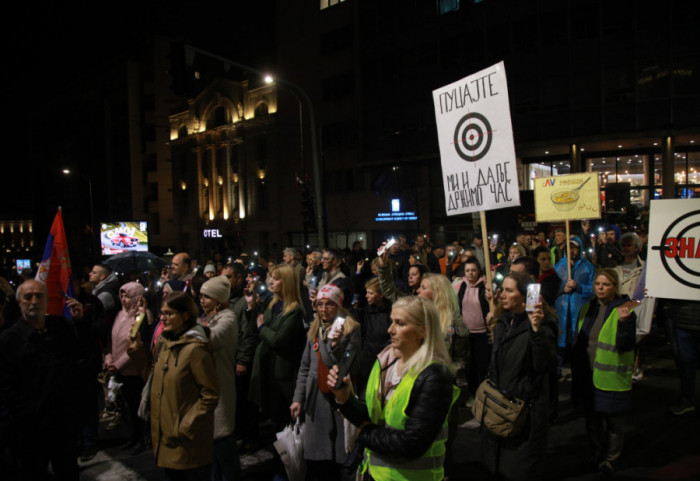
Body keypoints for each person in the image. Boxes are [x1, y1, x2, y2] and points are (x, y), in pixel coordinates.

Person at [328, 296, 460, 481]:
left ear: (422, 331)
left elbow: (412, 444)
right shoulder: (384, 362)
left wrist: (364, 433)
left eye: (400, 323)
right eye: (391, 322)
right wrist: (345, 398)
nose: (390, 330)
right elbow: (369, 416)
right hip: (374, 473)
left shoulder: (435, 375)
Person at [0, 280, 82, 480]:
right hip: (29, 432)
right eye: (28, 297)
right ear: (19, 302)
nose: (34, 301)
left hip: (63, 427)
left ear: (47, 300)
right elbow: (6, 389)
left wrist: (81, 322)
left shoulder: (61, 328)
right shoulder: (8, 340)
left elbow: (79, 360)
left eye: (39, 296)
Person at [481, 271, 558, 481]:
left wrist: (536, 330)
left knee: (519, 469)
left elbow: (545, 365)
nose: (502, 295)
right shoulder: (503, 321)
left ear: (525, 296)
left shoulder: (543, 324)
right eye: (502, 289)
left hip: (525, 414)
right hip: (499, 408)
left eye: (509, 290)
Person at [290, 284, 361, 480]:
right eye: (319, 304)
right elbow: (305, 367)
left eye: (328, 304)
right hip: (316, 401)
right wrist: (298, 398)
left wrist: (336, 346)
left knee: (340, 462)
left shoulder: (351, 329)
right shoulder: (314, 330)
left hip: (339, 399)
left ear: (338, 305)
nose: (323, 309)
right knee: (317, 465)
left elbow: (349, 364)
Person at [571, 269, 636, 477]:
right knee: (593, 421)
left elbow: (627, 345)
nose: (600, 288)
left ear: (615, 287)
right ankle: (597, 454)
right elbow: (580, 342)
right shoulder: (587, 308)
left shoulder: (625, 310)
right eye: (598, 284)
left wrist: (625, 326)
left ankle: (610, 459)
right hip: (589, 376)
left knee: (614, 423)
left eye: (606, 284)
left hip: (611, 377)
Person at [148, 292, 219, 480]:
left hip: (187, 441)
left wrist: (185, 425)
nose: (163, 318)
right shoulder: (164, 343)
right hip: (166, 437)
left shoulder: (195, 349)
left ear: (185, 316)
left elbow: (210, 394)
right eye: (162, 313)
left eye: (169, 313)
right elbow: (152, 379)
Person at [248, 264, 306, 431]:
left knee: (282, 421)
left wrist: (262, 328)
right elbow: (258, 327)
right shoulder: (272, 304)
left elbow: (278, 340)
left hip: (282, 374)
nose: (271, 282)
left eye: (276, 278)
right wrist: (252, 307)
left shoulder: (294, 311)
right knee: (273, 417)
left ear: (286, 282)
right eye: (271, 278)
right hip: (268, 368)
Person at [199, 275, 241, 480]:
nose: (202, 300)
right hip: (207, 381)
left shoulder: (228, 318)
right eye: (201, 296)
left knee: (222, 437)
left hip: (220, 381)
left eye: (207, 296)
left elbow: (210, 339)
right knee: (211, 444)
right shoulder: (206, 317)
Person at [105, 282, 151, 454]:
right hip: (119, 370)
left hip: (133, 370)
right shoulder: (119, 315)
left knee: (137, 406)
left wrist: (118, 364)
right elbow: (112, 340)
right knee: (127, 407)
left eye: (128, 295)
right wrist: (109, 358)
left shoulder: (141, 316)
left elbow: (136, 345)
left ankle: (141, 438)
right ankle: (133, 436)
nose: (124, 299)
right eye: (122, 295)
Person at [554, 236, 596, 378]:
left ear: (579, 249)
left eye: (574, 247)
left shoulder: (588, 267)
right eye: (569, 247)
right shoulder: (559, 266)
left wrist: (579, 287)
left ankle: (578, 371)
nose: (571, 250)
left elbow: (594, 289)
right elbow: (552, 288)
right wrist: (562, 289)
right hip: (561, 310)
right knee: (560, 340)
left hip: (580, 310)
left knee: (577, 342)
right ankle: (558, 370)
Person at [453, 257, 491, 402]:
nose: (470, 273)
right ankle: (471, 393)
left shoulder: (486, 286)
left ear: (479, 271)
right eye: (467, 270)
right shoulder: (460, 286)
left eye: (473, 270)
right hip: (465, 334)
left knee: (482, 367)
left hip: (482, 334)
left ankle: (483, 396)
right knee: (469, 368)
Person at [353, 277, 392, 397]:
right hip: (366, 359)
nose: (366, 296)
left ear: (380, 294)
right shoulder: (364, 312)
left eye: (370, 293)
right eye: (366, 292)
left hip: (384, 360)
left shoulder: (391, 312)